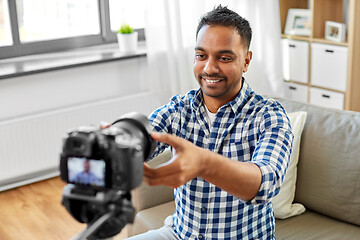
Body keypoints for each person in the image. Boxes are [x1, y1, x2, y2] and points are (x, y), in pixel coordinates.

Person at [127, 5, 293, 240]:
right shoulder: (180, 108)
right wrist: (118, 143)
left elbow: (264, 183)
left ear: (246, 61)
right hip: (180, 234)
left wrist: (204, 164)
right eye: (201, 55)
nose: (209, 68)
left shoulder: (269, 116)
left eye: (224, 58)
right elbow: (144, 136)